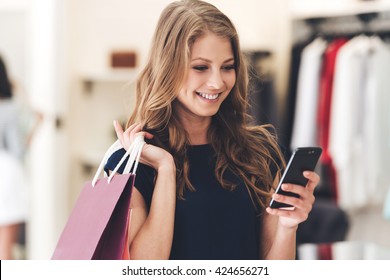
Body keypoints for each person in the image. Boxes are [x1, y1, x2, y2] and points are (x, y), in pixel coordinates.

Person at [105, 0, 320, 260]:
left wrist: (288, 226)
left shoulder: (263, 154)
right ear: (168, 67)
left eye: (227, 67)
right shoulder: (131, 163)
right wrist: (165, 169)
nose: (217, 82)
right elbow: (142, 269)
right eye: (200, 67)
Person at [0, 55, 42, 259]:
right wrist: (36, 126)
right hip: (7, 177)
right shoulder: (9, 108)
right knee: (5, 249)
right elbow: (18, 152)